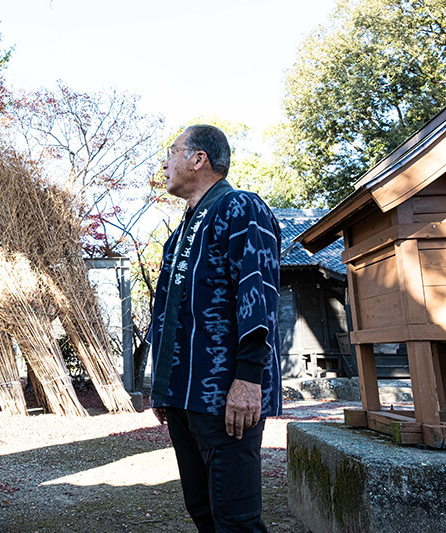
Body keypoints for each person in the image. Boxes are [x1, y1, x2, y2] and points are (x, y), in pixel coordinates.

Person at [148, 124, 282, 532]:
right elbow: (170, 311)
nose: (165, 163)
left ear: (198, 159)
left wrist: (248, 380)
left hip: (226, 395)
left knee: (235, 520)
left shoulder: (240, 207)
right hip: (183, 393)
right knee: (202, 511)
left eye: (172, 152)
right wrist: (163, 386)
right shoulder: (182, 231)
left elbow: (258, 295)